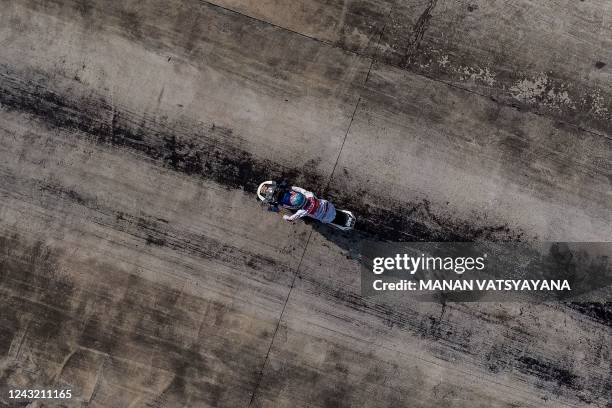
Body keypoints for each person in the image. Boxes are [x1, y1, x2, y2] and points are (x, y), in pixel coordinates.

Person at [265, 181, 336, 224]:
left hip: (327, 219)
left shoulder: (303, 211)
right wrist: (289, 187)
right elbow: (300, 190)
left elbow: (290, 219)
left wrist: (278, 211)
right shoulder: (309, 195)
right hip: (330, 207)